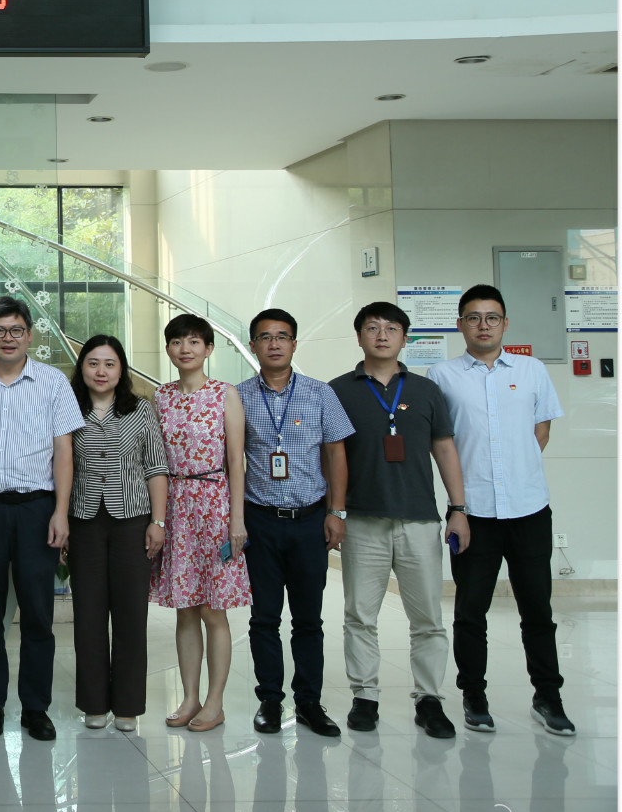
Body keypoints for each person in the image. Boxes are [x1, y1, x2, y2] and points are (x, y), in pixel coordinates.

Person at [429, 284, 573, 736]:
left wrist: (514, 475)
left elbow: (541, 432)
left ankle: (548, 697)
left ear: (505, 323)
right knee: (470, 611)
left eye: (492, 317)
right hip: (472, 514)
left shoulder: (532, 370)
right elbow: (440, 442)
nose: (483, 325)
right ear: (460, 325)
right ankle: (474, 697)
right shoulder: (442, 375)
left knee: (537, 610)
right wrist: (460, 503)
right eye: (473, 318)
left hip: (529, 510)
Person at [329, 301, 472, 739]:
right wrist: (334, 512)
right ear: (359, 337)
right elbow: (330, 456)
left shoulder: (426, 390)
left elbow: (444, 449)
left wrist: (458, 509)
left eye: (391, 328)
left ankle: (429, 700)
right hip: (362, 521)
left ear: (404, 338)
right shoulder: (338, 390)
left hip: (419, 520)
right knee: (359, 615)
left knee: (427, 616)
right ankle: (365, 696)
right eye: (372, 328)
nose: (382, 335)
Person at [0, 296, 85, 741]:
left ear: (29, 335)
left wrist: (61, 512)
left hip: (37, 509)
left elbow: (65, 451)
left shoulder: (52, 382)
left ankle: (35, 708)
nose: (7, 338)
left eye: (16, 330)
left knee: (37, 614)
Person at [237, 308, 354, 739]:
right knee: (264, 617)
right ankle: (270, 699)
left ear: (294, 344)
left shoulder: (321, 393)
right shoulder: (237, 397)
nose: (274, 344)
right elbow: (230, 459)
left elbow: (336, 454)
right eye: (265, 337)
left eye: (282, 336)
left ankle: (308, 702)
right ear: (253, 346)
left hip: (309, 521)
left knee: (308, 619)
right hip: (260, 520)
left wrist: (336, 513)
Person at [150, 313, 250, 733]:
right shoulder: (160, 397)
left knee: (213, 609)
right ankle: (189, 697)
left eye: (194, 341)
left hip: (214, 505)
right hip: (175, 507)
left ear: (208, 348)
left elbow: (236, 460)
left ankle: (215, 702)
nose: (185, 349)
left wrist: (237, 520)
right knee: (185, 609)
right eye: (177, 341)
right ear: (168, 349)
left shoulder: (224, 393)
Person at [66, 333, 169, 732]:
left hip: (133, 522)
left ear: (121, 369)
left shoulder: (141, 409)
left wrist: (158, 521)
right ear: (82, 368)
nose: (101, 371)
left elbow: (155, 467)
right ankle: (93, 703)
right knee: (88, 616)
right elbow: (59, 466)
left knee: (130, 616)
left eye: (109, 363)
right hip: (84, 521)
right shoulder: (68, 407)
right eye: (93, 363)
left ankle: (127, 706)